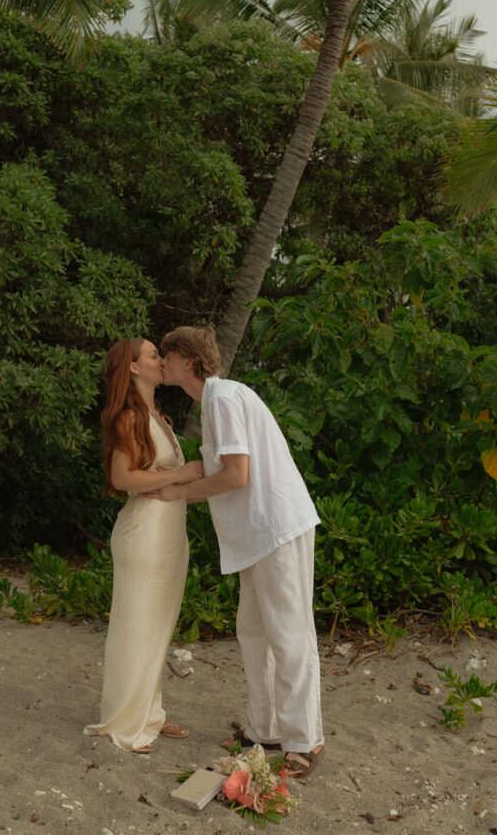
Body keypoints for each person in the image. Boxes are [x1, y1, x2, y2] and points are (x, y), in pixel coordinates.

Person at [148, 325, 323, 778]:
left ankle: (305, 740)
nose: (161, 363)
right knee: (253, 632)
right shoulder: (217, 400)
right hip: (258, 534)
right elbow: (221, 471)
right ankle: (264, 730)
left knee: (288, 634)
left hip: (276, 528)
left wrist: (181, 496)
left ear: (186, 360)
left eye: (165, 355)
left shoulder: (222, 399)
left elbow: (235, 475)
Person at [84, 338, 203, 753]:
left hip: (169, 536)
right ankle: (126, 722)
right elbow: (124, 479)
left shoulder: (158, 416)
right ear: (133, 368)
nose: (160, 360)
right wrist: (181, 473)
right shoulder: (129, 416)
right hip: (145, 535)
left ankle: (150, 712)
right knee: (137, 626)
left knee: (157, 628)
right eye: (153, 354)